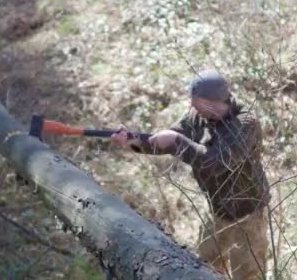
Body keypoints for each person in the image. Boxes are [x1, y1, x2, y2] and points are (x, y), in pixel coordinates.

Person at [111, 69, 271, 280]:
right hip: (217, 208)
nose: (192, 108)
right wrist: (135, 141)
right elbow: (165, 142)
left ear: (214, 101)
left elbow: (215, 162)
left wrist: (177, 141)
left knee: (248, 275)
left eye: (197, 103)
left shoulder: (245, 123)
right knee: (205, 265)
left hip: (248, 213)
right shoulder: (197, 117)